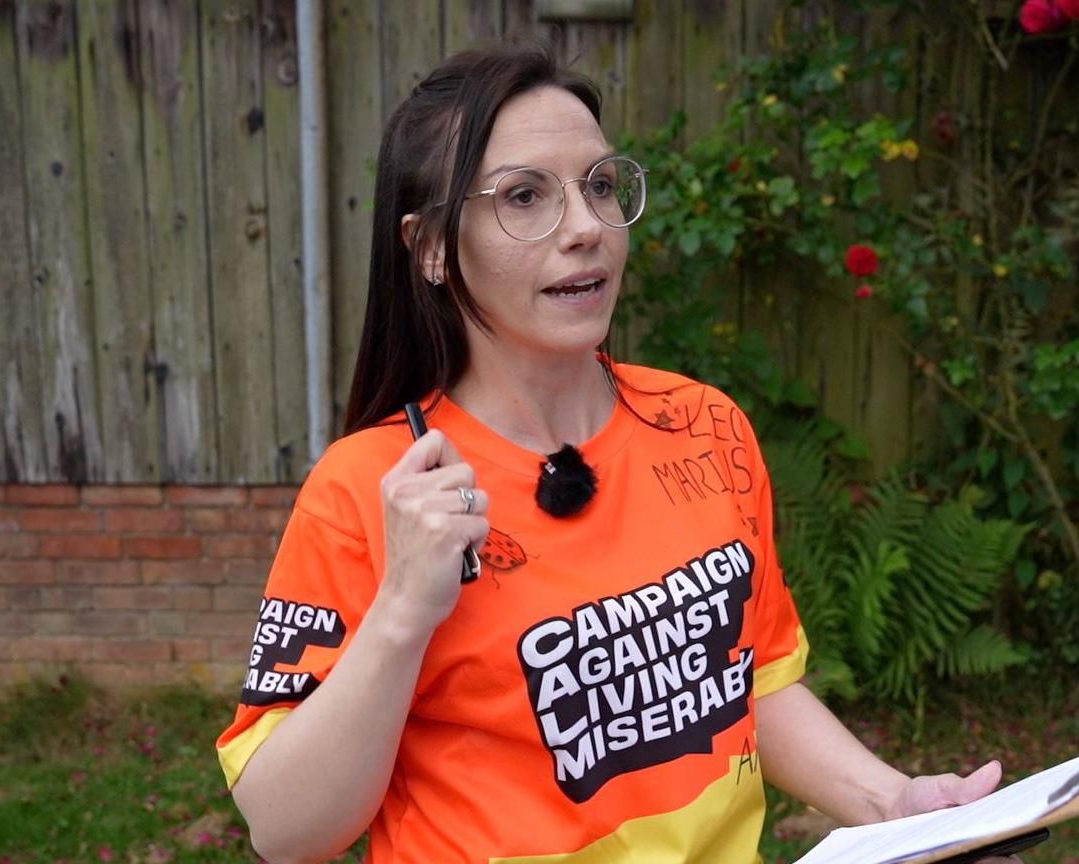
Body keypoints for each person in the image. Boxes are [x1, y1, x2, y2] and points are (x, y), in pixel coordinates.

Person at [216, 41, 1019, 864]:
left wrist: (899, 804)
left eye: (600, 186)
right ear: (429, 247)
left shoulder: (706, 426)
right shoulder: (374, 490)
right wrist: (400, 615)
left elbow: (754, 681)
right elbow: (285, 833)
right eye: (524, 197)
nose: (586, 228)